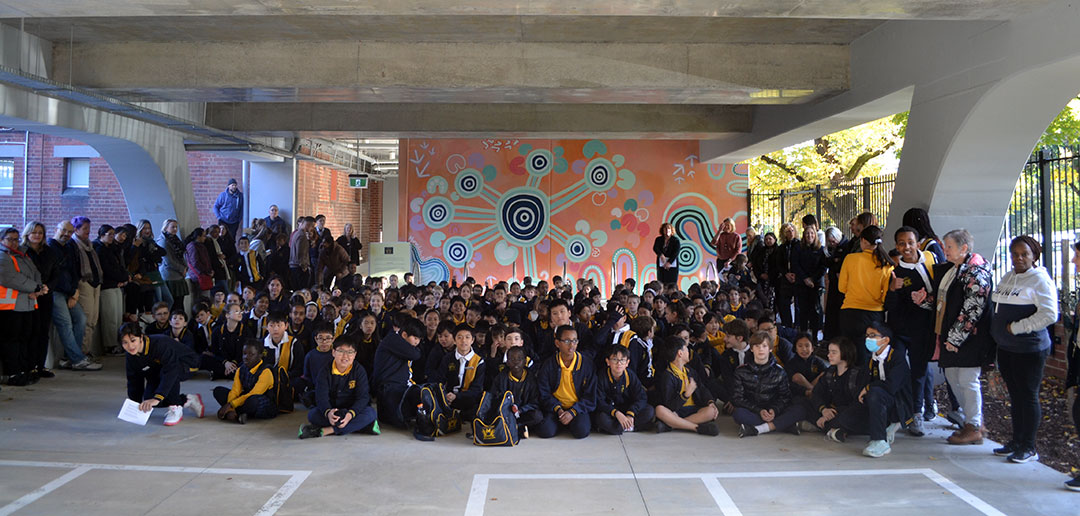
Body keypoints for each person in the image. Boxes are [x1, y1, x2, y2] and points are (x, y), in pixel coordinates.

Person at [913, 228, 993, 446]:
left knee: (968, 381)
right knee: (953, 377)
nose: (944, 250)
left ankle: (974, 425)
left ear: (964, 248)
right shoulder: (952, 270)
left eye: (949, 247)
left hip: (968, 340)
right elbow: (944, 302)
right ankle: (972, 421)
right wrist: (924, 300)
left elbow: (972, 310)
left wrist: (955, 339)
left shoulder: (976, 273)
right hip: (948, 336)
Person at [991, 236, 1058, 463]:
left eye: (1024, 254)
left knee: (1027, 396)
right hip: (1007, 348)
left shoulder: (1040, 280)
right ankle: (1016, 441)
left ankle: (1028, 447)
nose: (1018, 258)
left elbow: (1049, 314)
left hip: (1029, 350)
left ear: (1034, 256)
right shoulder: (1009, 276)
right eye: (1015, 254)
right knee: (1015, 396)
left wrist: (1018, 328)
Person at [827, 322, 911, 458]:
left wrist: (868, 388)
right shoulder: (871, 360)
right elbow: (862, 388)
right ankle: (881, 427)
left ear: (885, 339)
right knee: (843, 416)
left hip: (897, 404)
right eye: (867, 336)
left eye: (873, 335)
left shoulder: (897, 359)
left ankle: (880, 441)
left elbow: (891, 386)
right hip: (875, 402)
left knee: (875, 393)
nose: (868, 339)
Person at [885, 226, 937, 435]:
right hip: (900, 330)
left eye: (910, 242)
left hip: (923, 329)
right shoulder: (895, 272)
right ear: (896, 245)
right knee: (897, 370)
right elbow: (889, 306)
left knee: (919, 372)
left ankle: (918, 413)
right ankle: (898, 411)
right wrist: (892, 290)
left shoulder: (932, 260)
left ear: (917, 243)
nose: (906, 247)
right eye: (901, 243)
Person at [119, 322, 205, 426]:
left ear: (141, 337)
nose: (130, 346)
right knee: (148, 400)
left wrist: (157, 398)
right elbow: (134, 380)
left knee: (169, 376)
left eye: (133, 340)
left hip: (186, 364)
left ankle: (175, 406)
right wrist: (135, 405)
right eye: (125, 343)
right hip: (160, 370)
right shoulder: (131, 356)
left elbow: (171, 369)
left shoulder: (159, 343)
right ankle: (188, 399)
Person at [298, 336, 379, 438]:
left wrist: (350, 415)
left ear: (355, 355)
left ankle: (325, 431)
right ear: (333, 353)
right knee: (313, 415)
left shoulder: (359, 371)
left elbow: (363, 397)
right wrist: (328, 413)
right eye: (340, 351)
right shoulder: (324, 372)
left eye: (350, 352)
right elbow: (321, 397)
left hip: (351, 410)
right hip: (333, 411)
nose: (345, 356)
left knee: (371, 413)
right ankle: (363, 427)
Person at [837, 225, 894, 364]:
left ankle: (850, 382)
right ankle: (867, 383)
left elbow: (841, 288)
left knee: (849, 354)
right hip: (873, 315)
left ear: (863, 240)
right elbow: (885, 296)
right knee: (869, 356)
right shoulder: (886, 264)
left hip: (849, 313)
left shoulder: (850, 259)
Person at [732, 331, 806, 437]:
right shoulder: (741, 371)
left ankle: (759, 429)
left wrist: (774, 410)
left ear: (770, 349)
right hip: (754, 411)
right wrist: (759, 410)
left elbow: (785, 397)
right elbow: (737, 398)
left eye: (764, 346)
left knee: (800, 409)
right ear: (752, 349)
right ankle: (783, 424)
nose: (760, 349)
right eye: (757, 346)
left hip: (774, 411)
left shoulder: (779, 371)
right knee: (738, 414)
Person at [0, 227, 47, 386]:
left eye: (16, 239)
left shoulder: (23, 255)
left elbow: (35, 273)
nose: (14, 242)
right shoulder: (2, 256)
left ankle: (24, 370)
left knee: (25, 339)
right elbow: (11, 278)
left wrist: (39, 288)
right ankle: (12, 373)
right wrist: (35, 288)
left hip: (27, 304)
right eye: (10, 239)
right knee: (11, 341)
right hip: (9, 307)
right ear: (1, 240)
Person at [535, 325, 596, 439]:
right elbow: (544, 393)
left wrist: (573, 412)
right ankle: (562, 421)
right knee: (545, 431)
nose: (572, 345)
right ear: (557, 343)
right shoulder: (549, 364)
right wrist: (558, 410)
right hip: (556, 408)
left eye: (575, 341)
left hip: (577, 408)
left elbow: (590, 396)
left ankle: (569, 421)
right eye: (567, 341)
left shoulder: (586, 364)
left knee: (581, 431)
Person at [653, 336, 720, 435]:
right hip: (676, 411)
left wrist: (710, 402)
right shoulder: (668, 376)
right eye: (686, 349)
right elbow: (669, 405)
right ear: (680, 353)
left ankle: (672, 425)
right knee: (659, 410)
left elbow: (702, 388)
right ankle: (695, 427)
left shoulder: (689, 371)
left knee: (711, 411)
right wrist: (686, 395)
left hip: (693, 409)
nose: (689, 351)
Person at [371, 316, 425, 429]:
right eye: (414, 338)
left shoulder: (401, 342)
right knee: (400, 419)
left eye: (419, 339)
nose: (417, 342)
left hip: (401, 386)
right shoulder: (392, 340)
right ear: (404, 335)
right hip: (387, 388)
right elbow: (415, 354)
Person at [21, 222, 57, 380]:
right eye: (34, 232)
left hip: (46, 295)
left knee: (43, 332)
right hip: (28, 296)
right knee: (30, 332)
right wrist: (35, 289)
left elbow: (57, 273)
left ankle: (40, 366)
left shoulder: (49, 252)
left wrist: (47, 287)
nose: (37, 235)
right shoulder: (22, 252)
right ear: (27, 234)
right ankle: (28, 367)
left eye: (40, 233)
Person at [431, 324, 486, 423]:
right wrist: (445, 394)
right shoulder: (447, 358)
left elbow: (477, 388)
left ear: (472, 340)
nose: (463, 341)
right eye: (459, 337)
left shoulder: (479, 361)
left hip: (468, 398)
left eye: (467, 337)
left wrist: (458, 396)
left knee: (477, 406)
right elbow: (440, 379)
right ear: (455, 340)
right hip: (449, 397)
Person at [595, 345, 655, 434]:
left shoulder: (631, 376)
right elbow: (599, 401)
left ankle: (620, 427)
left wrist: (631, 413)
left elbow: (641, 397)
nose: (619, 363)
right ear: (608, 362)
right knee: (601, 418)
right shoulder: (601, 376)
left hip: (627, 410)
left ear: (627, 363)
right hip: (611, 412)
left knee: (649, 410)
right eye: (615, 360)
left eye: (622, 360)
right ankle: (628, 427)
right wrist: (616, 413)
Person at [213, 341, 277, 424]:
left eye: (251, 354)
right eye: (244, 353)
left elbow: (254, 393)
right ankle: (236, 414)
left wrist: (231, 404)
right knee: (218, 391)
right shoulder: (240, 369)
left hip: (262, 404)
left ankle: (236, 413)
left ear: (260, 356)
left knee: (253, 401)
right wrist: (231, 406)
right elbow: (235, 391)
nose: (246, 357)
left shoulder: (266, 371)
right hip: (244, 399)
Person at [805, 337, 860, 434]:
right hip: (829, 410)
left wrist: (834, 412)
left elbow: (857, 404)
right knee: (802, 403)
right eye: (829, 352)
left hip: (845, 412)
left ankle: (826, 427)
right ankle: (832, 429)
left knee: (847, 417)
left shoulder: (856, 375)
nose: (829, 355)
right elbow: (816, 393)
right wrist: (823, 410)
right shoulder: (830, 372)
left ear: (845, 353)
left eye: (834, 352)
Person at [489, 346, 543, 437]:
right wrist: (507, 409)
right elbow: (493, 397)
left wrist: (521, 410)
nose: (516, 362)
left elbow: (535, 401)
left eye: (519, 359)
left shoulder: (531, 378)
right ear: (507, 362)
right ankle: (515, 428)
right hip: (506, 413)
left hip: (523, 413)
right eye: (512, 359)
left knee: (537, 416)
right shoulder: (501, 378)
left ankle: (515, 426)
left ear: (525, 361)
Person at [71, 216, 103, 357]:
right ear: (76, 230)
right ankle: (82, 351)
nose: (88, 231)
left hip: (95, 283)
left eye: (89, 228)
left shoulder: (89, 245)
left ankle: (87, 350)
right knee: (87, 318)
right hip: (85, 283)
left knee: (93, 319)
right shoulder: (74, 245)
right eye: (84, 229)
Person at [94, 225, 128, 356]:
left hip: (116, 284)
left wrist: (124, 277)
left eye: (113, 234)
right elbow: (106, 269)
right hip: (107, 285)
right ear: (101, 235)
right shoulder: (99, 249)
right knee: (110, 317)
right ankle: (110, 345)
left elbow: (119, 266)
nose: (112, 237)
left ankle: (117, 343)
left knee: (117, 316)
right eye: (109, 234)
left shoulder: (112, 249)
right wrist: (121, 278)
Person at [791, 226, 826, 336]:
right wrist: (805, 279)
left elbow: (823, 267)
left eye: (812, 233)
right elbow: (795, 264)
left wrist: (813, 279)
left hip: (815, 284)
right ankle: (804, 334)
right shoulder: (798, 247)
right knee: (803, 311)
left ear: (815, 235)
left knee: (815, 311)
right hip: (802, 283)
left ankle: (815, 336)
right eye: (807, 233)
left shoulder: (820, 249)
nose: (809, 235)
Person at [822, 226, 848, 340]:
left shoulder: (846, 246)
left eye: (833, 241)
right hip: (833, 282)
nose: (832, 243)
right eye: (830, 242)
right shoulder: (832, 249)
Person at [157, 219, 188, 311]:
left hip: (179, 275)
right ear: (166, 228)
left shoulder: (176, 240)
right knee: (174, 304)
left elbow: (181, 256)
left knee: (180, 303)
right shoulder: (163, 241)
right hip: (170, 275)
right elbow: (168, 260)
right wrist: (182, 269)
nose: (175, 229)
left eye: (176, 227)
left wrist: (185, 268)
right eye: (172, 227)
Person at [184, 228, 213, 310]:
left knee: (204, 297)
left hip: (203, 274)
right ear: (198, 236)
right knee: (203, 298)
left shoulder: (200, 246)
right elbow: (195, 262)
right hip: (199, 276)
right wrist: (206, 271)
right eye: (203, 236)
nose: (205, 238)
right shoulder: (193, 246)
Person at [289, 217, 313, 291]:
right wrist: (304, 266)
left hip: (293, 265)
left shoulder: (296, 233)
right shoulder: (302, 236)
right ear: (308, 225)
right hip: (299, 266)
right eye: (312, 226)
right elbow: (301, 252)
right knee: (302, 290)